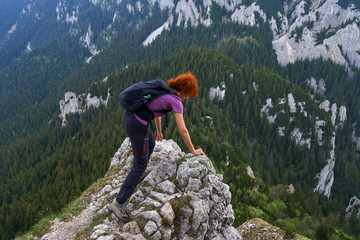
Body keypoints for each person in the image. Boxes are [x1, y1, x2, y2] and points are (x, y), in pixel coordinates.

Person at [106, 72, 205, 221]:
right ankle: (118, 202)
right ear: (185, 91)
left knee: (151, 143)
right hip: (137, 124)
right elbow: (183, 130)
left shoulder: (164, 90)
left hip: (131, 117)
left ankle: (138, 172)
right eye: (189, 95)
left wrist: (158, 131)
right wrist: (193, 150)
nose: (187, 98)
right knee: (139, 165)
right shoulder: (176, 101)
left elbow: (155, 110)